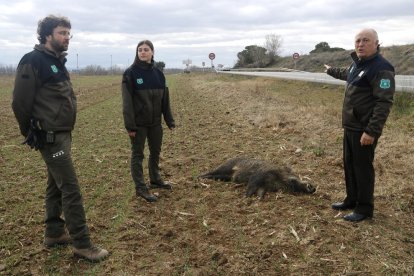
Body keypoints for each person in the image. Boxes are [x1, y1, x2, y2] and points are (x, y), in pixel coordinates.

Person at [12, 15, 109, 261]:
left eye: (68, 34)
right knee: (71, 189)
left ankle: (54, 233)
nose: (67, 38)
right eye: (62, 33)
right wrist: (31, 132)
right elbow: (20, 103)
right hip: (50, 137)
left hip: (62, 134)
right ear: (47, 35)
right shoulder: (33, 61)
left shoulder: (57, 62)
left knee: (55, 186)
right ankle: (82, 244)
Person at [324, 28, 395, 222]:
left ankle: (364, 209)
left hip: (364, 129)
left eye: (365, 40)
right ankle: (351, 199)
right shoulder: (358, 64)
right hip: (351, 125)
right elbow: (348, 74)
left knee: (362, 168)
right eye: (357, 41)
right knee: (349, 164)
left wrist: (371, 131)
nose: (360, 44)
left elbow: (384, 103)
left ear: (376, 43)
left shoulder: (382, 68)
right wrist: (330, 71)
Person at [122, 40, 175, 202]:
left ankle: (155, 178)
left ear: (152, 52)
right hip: (138, 124)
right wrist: (130, 126)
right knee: (138, 155)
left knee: (155, 152)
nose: (142, 52)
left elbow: (165, 99)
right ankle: (140, 188)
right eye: (139, 50)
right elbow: (127, 102)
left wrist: (169, 119)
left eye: (146, 49)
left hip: (155, 123)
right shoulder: (130, 73)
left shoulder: (159, 74)